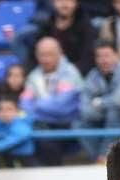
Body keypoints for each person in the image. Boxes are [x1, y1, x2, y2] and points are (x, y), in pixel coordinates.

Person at [20, 37, 84, 166]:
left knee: (43, 135)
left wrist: (37, 105)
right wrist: (45, 107)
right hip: (43, 125)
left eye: (50, 55)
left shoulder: (70, 73)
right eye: (42, 55)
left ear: (59, 54)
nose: (45, 59)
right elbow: (24, 104)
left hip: (69, 126)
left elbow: (62, 107)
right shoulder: (34, 76)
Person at [34, 0, 98, 75]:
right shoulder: (46, 26)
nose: (65, 4)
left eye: (69, 1)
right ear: (53, 2)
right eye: (60, 1)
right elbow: (34, 55)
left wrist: (70, 75)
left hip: (78, 76)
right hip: (47, 74)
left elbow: (88, 58)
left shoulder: (86, 27)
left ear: (76, 3)